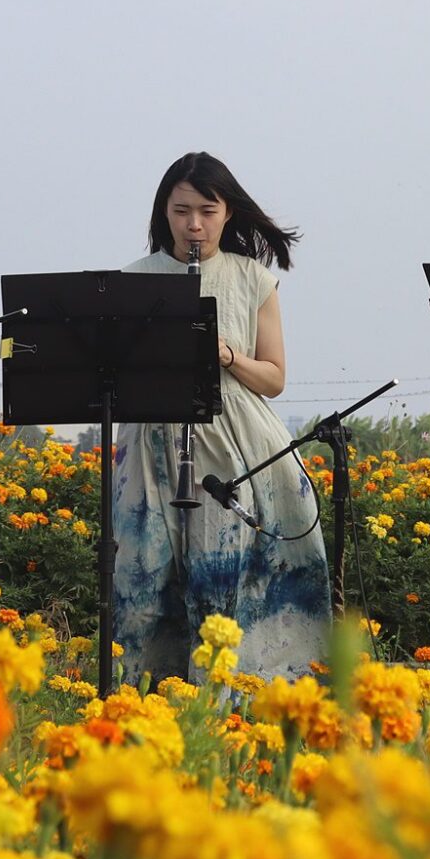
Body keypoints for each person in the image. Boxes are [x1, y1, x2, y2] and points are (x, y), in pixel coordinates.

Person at [110, 153, 330, 682]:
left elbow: (274, 378)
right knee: (143, 580)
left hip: (236, 445)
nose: (194, 224)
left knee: (221, 581)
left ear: (228, 212)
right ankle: (143, 698)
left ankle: (229, 706)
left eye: (207, 210)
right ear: (163, 210)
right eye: (182, 209)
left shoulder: (254, 278)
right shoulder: (131, 279)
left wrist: (227, 355)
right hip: (151, 442)